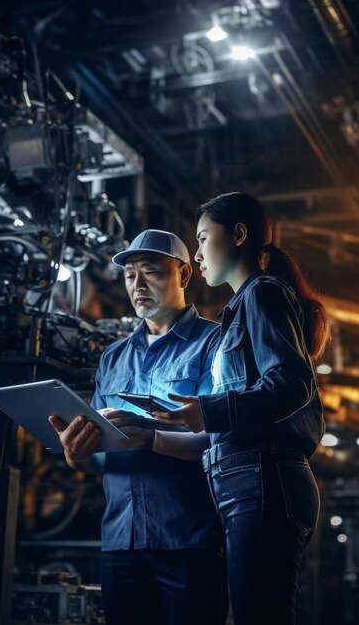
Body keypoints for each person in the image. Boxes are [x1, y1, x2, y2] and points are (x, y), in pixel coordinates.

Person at [153, 193, 330, 625]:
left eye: (202, 238)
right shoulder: (242, 308)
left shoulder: (263, 294)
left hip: (263, 480)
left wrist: (210, 412)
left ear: (238, 235)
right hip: (251, 483)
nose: (197, 253)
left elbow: (291, 383)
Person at [49, 229, 228, 625]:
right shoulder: (113, 358)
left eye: (152, 272)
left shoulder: (215, 345)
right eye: (130, 276)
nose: (138, 285)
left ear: (183, 276)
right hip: (120, 541)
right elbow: (99, 453)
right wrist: (78, 454)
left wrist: (148, 439)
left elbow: (219, 440)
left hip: (188, 539)